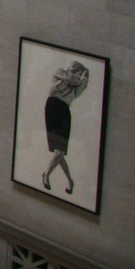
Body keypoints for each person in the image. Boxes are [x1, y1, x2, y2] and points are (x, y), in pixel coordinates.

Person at [42, 61, 90, 195]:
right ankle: (70, 180)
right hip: (52, 108)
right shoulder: (59, 71)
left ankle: (46, 174)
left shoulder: (76, 85)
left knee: (59, 151)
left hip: (64, 111)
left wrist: (85, 77)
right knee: (59, 151)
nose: (70, 69)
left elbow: (82, 86)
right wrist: (81, 76)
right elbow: (72, 79)